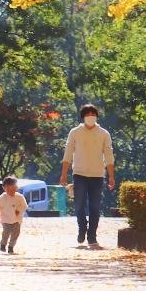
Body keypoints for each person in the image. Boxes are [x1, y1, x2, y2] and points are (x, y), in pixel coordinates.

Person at [59, 104, 115, 249]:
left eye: (93, 114)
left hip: (97, 175)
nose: (91, 116)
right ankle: (82, 227)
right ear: (83, 116)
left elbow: (109, 156)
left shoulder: (104, 133)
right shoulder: (75, 132)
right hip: (79, 174)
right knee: (79, 205)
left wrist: (111, 176)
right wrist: (63, 174)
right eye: (88, 114)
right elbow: (68, 153)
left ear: (97, 116)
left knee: (95, 207)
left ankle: (92, 236)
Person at [0, 175, 27, 254]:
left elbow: (24, 206)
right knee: (6, 232)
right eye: (8, 189)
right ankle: (3, 244)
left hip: (17, 219)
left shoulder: (20, 197)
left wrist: (19, 210)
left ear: (16, 188)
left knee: (16, 233)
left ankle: (11, 246)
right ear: (4, 188)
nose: (11, 191)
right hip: (6, 219)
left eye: (13, 189)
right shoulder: (2, 198)